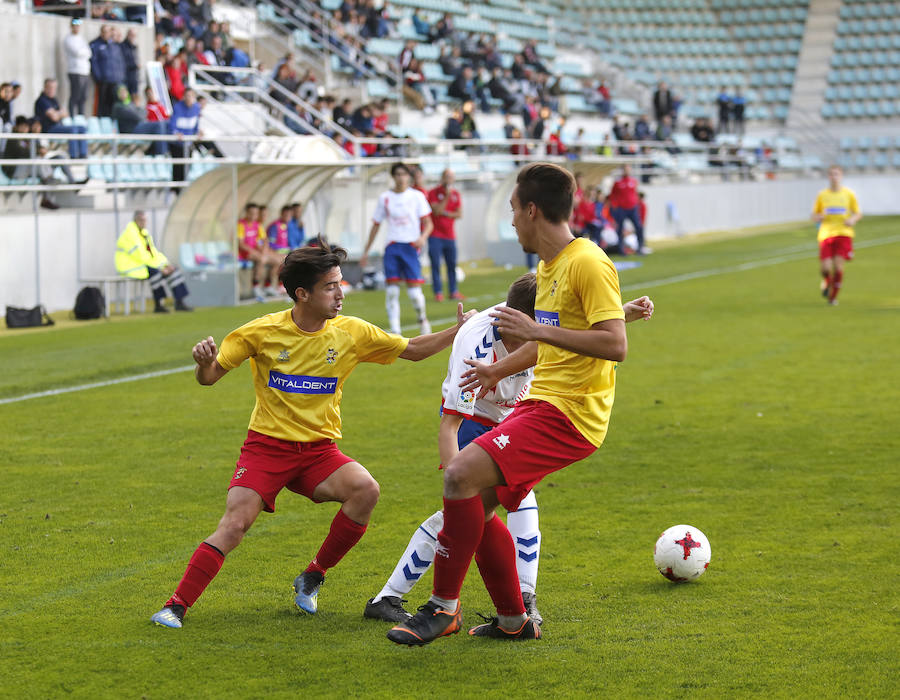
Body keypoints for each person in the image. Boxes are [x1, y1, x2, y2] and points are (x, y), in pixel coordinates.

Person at [387, 162, 654, 646]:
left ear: (532, 210)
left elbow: (614, 344)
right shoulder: (549, 268)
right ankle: (514, 620)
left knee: (459, 476)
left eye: (513, 209)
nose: (510, 219)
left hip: (570, 413)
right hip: (541, 403)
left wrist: (536, 330)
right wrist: (499, 369)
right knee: (474, 508)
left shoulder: (588, 262)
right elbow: (551, 342)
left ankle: (442, 609)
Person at [149, 241, 476, 629]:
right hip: (266, 449)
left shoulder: (351, 333)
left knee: (365, 490)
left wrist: (459, 331)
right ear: (302, 293)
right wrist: (203, 364)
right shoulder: (262, 332)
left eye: (340, 283)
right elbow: (209, 378)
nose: (341, 294)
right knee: (235, 524)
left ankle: (313, 576)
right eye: (330, 286)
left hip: (318, 453)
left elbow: (415, 349)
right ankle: (176, 605)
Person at [364, 274, 542, 624]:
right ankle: (523, 598)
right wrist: (455, 481)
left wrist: (623, 313)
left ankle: (388, 597)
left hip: (510, 419)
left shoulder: (543, 325)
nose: (545, 333)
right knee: (471, 511)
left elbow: (585, 333)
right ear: (515, 319)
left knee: (497, 505)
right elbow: (451, 424)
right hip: (470, 421)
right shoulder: (476, 345)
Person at [360, 162, 433, 335]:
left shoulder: (417, 196)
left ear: (409, 176)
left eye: (404, 174)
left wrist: (422, 238)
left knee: (415, 294)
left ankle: (422, 318)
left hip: (410, 247)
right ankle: (395, 331)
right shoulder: (385, 197)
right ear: (393, 177)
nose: (401, 178)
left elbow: (429, 223)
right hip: (392, 247)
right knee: (392, 291)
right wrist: (366, 251)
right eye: (397, 174)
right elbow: (376, 225)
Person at [115, 210, 193, 313]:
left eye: (145, 220)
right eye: (141, 220)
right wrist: (161, 268)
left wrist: (166, 265)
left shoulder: (144, 234)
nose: (144, 223)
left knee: (174, 271)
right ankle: (158, 304)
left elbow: (154, 253)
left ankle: (179, 302)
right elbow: (141, 256)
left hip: (142, 265)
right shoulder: (130, 234)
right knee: (155, 273)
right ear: (136, 220)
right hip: (130, 267)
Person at [811, 165, 861, 306]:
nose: (834, 177)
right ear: (829, 177)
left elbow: (858, 213)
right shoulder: (822, 195)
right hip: (826, 234)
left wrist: (852, 219)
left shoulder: (848, 194)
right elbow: (814, 215)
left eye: (837, 174)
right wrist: (819, 216)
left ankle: (833, 298)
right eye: (832, 174)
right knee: (825, 268)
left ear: (841, 176)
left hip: (844, 234)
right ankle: (827, 280)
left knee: (838, 267)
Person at [426, 169, 464, 302]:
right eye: (447, 176)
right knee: (435, 264)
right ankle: (438, 292)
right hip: (435, 235)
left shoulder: (456, 194)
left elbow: (459, 214)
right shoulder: (433, 193)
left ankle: (453, 291)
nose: (449, 179)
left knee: (451, 264)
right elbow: (436, 211)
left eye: (451, 177)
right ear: (442, 178)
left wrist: (446, 213)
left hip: (450, 236)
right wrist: (447, 197)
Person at [237, 202, 282, 301]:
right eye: (251, 213)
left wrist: (265, 251)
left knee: (278, 260)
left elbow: (265, 240)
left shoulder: (257, 225)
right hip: (244, 253)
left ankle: (268, 286)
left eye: (256, 213)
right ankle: (255, 287)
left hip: (257, 251)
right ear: (247, 213)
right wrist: (256, 252)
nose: (254, 216)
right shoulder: (241, 224)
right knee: (261, 259)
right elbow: (241, 243)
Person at [34, 78, 88, 159]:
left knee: (82, 128)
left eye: (54, 88)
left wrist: (57, 113)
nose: (52, 90)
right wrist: (59, 114)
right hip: (48, 129)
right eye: (50, 88)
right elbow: (54, 117)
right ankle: (73, 156)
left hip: (58, 126)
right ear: (45, 87)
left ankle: (83, 155)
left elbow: (66, 114)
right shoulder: (42, 100)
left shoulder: (54, 100)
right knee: (72, 130)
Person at [112, 85, 169, 155]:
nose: (124, 94)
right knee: (158, 125)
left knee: (166, 124)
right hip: (131, 130)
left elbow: (144, 113)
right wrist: (138, 107)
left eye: (125, 91)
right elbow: (139, 116)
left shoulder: (130, 104)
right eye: (121, 92)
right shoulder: (118, 106)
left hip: (138, 126)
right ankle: (161, 154)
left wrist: (137, 108)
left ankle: (152, 153)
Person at [607, 164, 647, 255]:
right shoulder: (618, 183)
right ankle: (621, 250)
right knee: (620, 229)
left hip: (633, 208)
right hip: (621, 209)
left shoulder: (634, 181)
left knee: (638, 227)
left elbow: (635, 193)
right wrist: (615, 206)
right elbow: (612, 196)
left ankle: (640, 247)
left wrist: (637, 204)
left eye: (628, 169)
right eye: (625, 169)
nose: (627, 171)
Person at [168, 88, 201, 185]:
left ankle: (181, 189)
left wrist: (198, 132)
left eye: (191, 96)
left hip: (188, 143)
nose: (189, 98)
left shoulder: (196, 108)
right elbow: (172, 125)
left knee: (187, 167)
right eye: (187, 96)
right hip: (177, 144)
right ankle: (175, 190)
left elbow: (195, 125)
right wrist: (176, 133)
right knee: (178, 168)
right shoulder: (177, 107)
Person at [64, 18, 92, 116]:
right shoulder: (68, 39)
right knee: (75, 95)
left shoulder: (81, 38)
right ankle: (72, 116)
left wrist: (83, 52)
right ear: (71, 26)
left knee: (83, 96)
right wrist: (83, 52)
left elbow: (89, 53)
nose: (77, 28)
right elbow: (77, 52)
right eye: (75, 25)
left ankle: (81, 116)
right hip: (75, 70)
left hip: (84, 71)